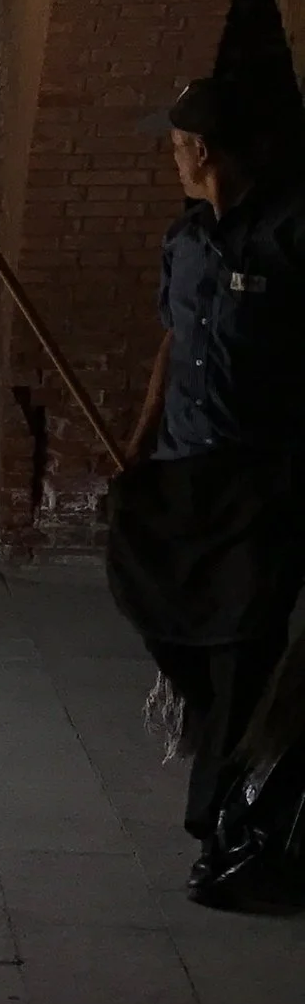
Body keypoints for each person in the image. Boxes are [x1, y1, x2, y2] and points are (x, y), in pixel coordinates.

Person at [108, 75, 305, 905]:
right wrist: (141, 436)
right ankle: (221, 770)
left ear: (205, 149)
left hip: (262, 482)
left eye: (178, 142)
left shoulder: (294, 236)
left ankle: (222, 827)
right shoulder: (184, 241)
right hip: (183, 471)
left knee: (242, 653)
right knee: (165, 617)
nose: (172, 154)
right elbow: (171, 339)